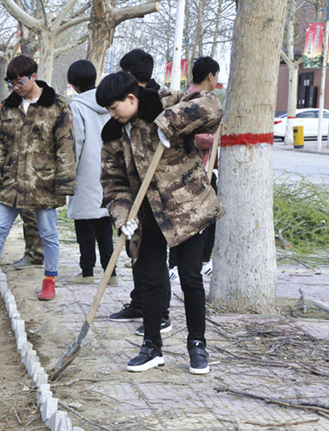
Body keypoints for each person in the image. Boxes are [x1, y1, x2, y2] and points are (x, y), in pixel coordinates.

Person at [97, 71, 223, 374]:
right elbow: (113, 183)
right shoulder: (113, 136)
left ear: (131, 98)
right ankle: (152, 346)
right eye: (109, 111)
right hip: (146, 216)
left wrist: (172, 122)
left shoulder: (165, 103)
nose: (112, 115)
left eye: (115, 108)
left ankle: (197, 345)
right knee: (151, 280)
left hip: (187, 209)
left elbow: (212, 107)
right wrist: (123, 216)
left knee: (191, 277)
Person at [0, 55, 76, 301]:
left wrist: (65, 182)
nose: (16, 87)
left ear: (33, 76)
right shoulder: (8, 107)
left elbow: (66, 146)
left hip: (44, 183)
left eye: (19, 82)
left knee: (48, 234)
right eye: (11, 83)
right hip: (12, 183)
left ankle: (49, 282)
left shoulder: (57, 106)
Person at [108, 49, 171, 338]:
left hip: (166, 201)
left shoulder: (161, 103)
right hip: (137, 201)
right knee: (140, 257)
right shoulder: (121, 114)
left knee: (157, 262)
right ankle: (140, 303)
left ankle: (162, 315)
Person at [64, 60, 116, 286]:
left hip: (86, 170)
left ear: (74, 85)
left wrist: (68, 170)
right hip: (108, 169)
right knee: (104, 224)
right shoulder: (108, 102)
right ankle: (110, 273)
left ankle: (87, 272)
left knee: (85, 225)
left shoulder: (77, 106)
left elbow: (76, 141)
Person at [169, 56, 221, 283]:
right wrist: (219, 138)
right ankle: (174, 265)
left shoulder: (207, 100)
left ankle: (202, 260)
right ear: (210, 76)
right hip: (188, 172)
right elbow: (196, 137)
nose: (217, 81)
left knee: (208, 217)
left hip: (204, 171)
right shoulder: (190, 101)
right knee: (181, 219)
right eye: (217, 76)